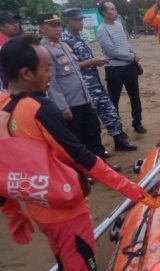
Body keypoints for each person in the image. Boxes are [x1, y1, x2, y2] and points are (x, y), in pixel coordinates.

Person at [0, 34, 150, 271]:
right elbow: (80, 156)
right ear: (26, 74)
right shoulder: (39, 108)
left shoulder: (3, 108)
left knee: (64, 260)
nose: (50, 73)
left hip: (38, 207)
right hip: (66, 211)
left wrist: (12, 210)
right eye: (45, 68)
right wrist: (129, 188)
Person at [38, 12, 121, 171]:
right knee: (78, 139)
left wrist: (88, 96)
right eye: (52, 25)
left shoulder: (63, 45)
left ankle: (102, 167)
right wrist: (62, 106)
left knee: (93, 133)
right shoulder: (44, 50)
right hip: (70, 104)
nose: (57, 29)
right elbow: (52, 82)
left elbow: (76, 73)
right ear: (42, 28)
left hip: (83, 98)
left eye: (58, 25)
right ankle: (83, 172)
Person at [61, 8, 138, 152]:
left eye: (81, 19)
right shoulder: (64, 41)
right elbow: (69, 67)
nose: (80, 22)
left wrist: (95, 61)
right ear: (67, 21)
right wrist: (92, 61)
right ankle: (98, 151)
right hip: (82, 87)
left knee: (110, 113)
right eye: (76, 20)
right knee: (92, 122)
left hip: (96, 83)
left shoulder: (82, 37)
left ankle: (119, 141)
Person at [97, 1, 147, 134]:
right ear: (104, 13)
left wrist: (133, 53)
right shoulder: (102, 30)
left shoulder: (119, 25)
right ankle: (117, 128)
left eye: (114, 9)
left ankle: (137, 122)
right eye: (112, 9)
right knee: (114, 100)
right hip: (114, 69)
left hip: (129, 68)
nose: (115, 11)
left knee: (135, 97)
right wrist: (131, 57)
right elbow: (111, 51)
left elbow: (125, 43)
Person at [0, 11, 20, 89]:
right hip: (8, 86)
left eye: (15, 22)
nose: (15, 25)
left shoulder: (11, 40)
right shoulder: (3, 42)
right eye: (11, 23)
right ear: (1, 26)